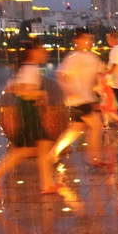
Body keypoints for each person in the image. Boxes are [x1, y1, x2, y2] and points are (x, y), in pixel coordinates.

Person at [0, 43, 60, 196]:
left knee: (37, 147)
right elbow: (24, 91)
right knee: (30, 148)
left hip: (28, 111)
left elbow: (11, 87)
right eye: (41, 50)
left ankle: (47, 183)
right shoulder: (30, 68)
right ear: (32, 52)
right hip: (29, 112)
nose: (44, 52)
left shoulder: (26, 67)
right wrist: (41, 94)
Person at [46, 29, 105, 167]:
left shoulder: (93, 57)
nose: (88, 42)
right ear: (76, 41)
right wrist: (70, 91)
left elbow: (98, 75)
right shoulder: (72, 57)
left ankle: (52, 154)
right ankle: (93, 157)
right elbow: (60, 74)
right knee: (96, 126)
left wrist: (99, 87)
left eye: (89, 39)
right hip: (78, 100)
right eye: (85, 39)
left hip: (88, 98)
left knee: (75, 130)